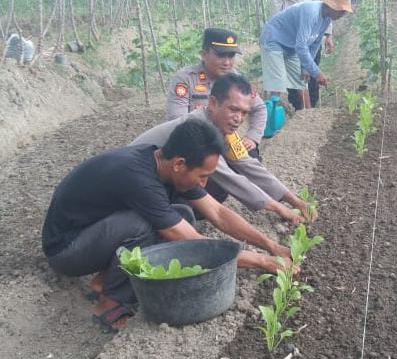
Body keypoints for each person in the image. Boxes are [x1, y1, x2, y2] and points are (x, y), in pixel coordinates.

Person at [42, 120, 293, 332]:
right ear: (179, 164)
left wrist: (271, 245)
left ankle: (102, 281)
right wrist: (263, 261)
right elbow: (192, 242)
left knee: (181, 211)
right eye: (202, 176)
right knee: (142, 225)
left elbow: (217, 212)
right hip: (67, 249)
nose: (204, 183)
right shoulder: (137, 177)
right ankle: (109, 303)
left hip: (96, 232)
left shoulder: (166, 163)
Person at [134, 74, 314, 225]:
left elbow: (248, 165)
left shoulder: (224, 129)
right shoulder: (199, 130)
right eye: (233, 109)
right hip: (138, 183)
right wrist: (278, 208)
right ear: (212, 103)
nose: (239, 118)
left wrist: (295, 201)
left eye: (244, 113)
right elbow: (231, 178)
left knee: (217, 190)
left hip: (165, 180)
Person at [166, 28, 266, 160]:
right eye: (220, 55)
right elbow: (178, 120)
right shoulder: (185, 79)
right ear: (204, 54)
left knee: (252, 159)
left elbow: (259, 108)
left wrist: (252, 137)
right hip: (195, 142)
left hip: (227, 140)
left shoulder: (236, 80)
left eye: (231, 56)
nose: (227, 62)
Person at [259, 0, 353, 110]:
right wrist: (317, 73)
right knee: (278, 82)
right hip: (273, 39)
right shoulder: (311, 11)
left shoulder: (327, 18)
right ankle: (270, 118)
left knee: (302, 81)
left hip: (290, 45)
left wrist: (306, 69)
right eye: (342, 11)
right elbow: (301, 46)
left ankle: (308, 115)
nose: (342, 15)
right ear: (333, 6)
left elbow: (314, 45)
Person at [271, 0, 335, 110]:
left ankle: (311, 109)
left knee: (312, 69)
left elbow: (328, 5)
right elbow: (277, 0)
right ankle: (298, 108)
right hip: (290, 33)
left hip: (313, 33)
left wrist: (328, 34)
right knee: (293, 73)